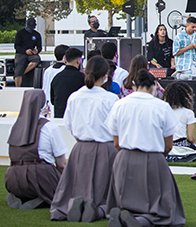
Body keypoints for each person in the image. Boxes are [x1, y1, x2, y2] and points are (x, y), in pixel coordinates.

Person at [105, 69, 186, 227]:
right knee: (161, 207)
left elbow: (116, 141)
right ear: (154, 86)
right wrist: (159, 158)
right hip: (153, 156)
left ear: (134, 86)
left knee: (126, 196)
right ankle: (142, 220)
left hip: (125, 156)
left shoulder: (120, 104)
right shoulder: (161, 107)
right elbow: (168, 144)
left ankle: (125, 215)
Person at [50, 56, 119, 222]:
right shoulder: (110, 99)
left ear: (85, 72)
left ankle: (74, 205)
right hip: (106, 148)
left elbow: (71, 126)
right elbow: (118, 128)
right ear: (106, 76)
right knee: (108, 193)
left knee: (77, 185)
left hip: (81, 148)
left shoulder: (74, 97)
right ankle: (98, 209)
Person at [5, 89, 68, 210]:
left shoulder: (14, 127)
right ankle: (42, 199)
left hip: (13, 178)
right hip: (40, 177)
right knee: (63, 191)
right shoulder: (50, 128)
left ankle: (18, 196)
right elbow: (61, 164)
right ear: (43, 106)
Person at [50, 48, 85, 119]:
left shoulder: (57, 78)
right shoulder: (82, 78)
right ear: (78, 60)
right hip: (76, 117)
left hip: (59, 116)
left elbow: (53, 100)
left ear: (65, 59)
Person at [163, 81, 196, 150]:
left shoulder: (163, 111)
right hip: (182, 145)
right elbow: (191, 138)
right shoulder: (188, 113)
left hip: (166, 145)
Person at [42, 44, 69, 118]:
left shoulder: (48, 70)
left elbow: (44, 87)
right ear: (65, 57)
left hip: (48, 103)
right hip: (57, 102)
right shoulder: (65, 70)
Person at [14, 17, 42, 87]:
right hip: (21, 53)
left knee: (36, 59)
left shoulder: (37, 34)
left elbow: (39, 47)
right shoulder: (20, 33)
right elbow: (16, 46)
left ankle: (23, 73)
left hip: (31, 54)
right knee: (19, 67)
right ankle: (18, 86)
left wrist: (37, 51)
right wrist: (25, 51)